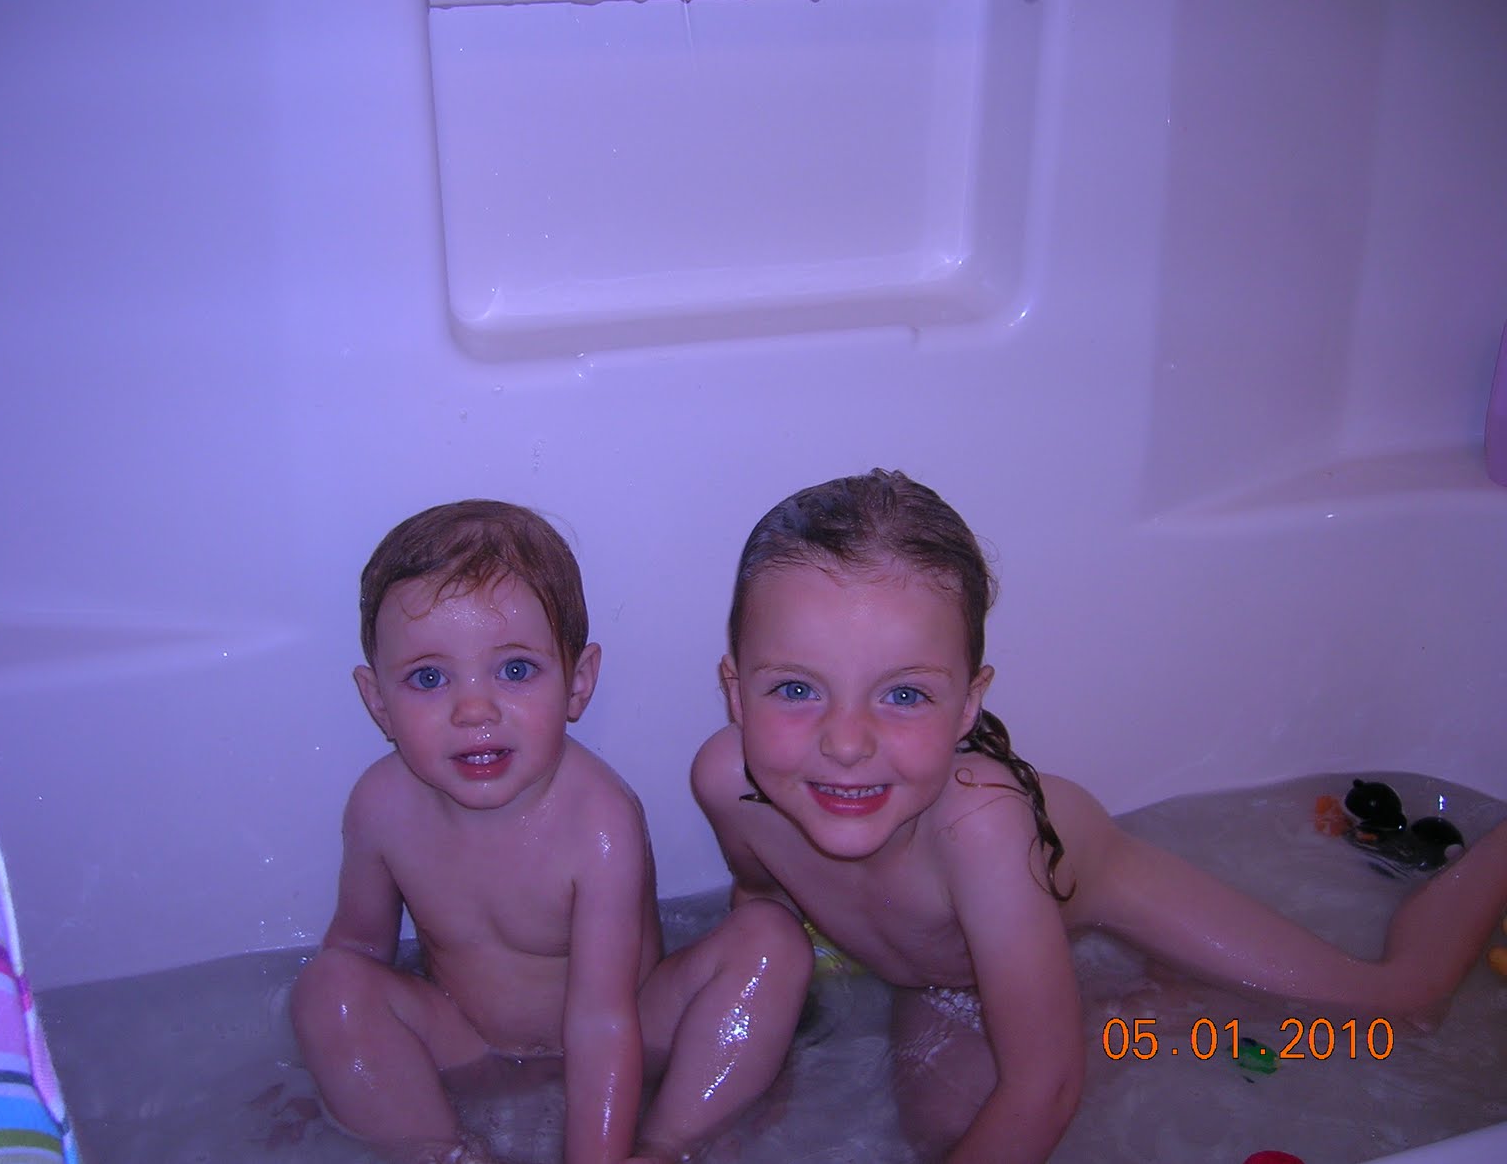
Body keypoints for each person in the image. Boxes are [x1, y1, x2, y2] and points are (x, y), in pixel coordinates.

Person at [691, 468, 1507, 1164]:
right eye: (795, 688)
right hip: (946, 968)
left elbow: (1045, 1087)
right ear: (736, 691)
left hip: (1099, 883)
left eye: (904, 694)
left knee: (1397, 1007)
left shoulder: (982, 829)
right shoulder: (729, 785)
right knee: (949, 1133)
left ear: (969, 704)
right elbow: (764, 902)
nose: (845, 743)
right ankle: (1142, 1002)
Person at [292, 500, 812, 1164]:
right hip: (464, 1042)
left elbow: (602, 1019)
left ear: (578, 682)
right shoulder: (380, 807)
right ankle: (443, 1152)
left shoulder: (597, 821)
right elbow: (361, 952)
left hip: (634, 1033)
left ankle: (667, 1144)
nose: (474, 710)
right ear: (378, 702)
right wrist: (335, 1076)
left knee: (771, 942)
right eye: (428, 677)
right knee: (328, 986)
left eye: (514, 670)